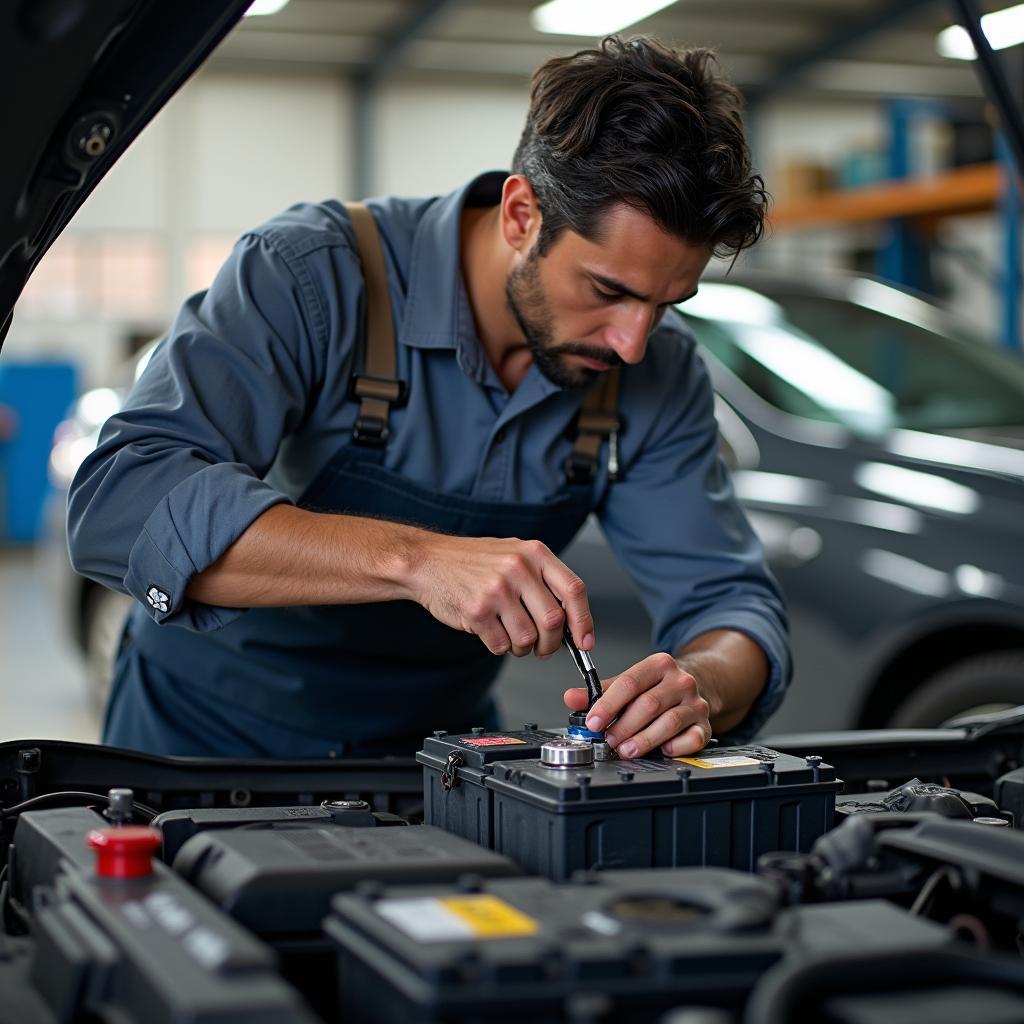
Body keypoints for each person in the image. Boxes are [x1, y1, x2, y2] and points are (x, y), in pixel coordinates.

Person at [67, 36, 790, 760]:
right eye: (608, 291)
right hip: (198, 742)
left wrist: (699, 682)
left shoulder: (659, 374)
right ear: (520, 215)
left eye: (666, 304)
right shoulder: (309, 275)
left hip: (430, 766)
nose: (633, 343)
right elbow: (120, 502)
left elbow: (731, 609)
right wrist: (417, 560)